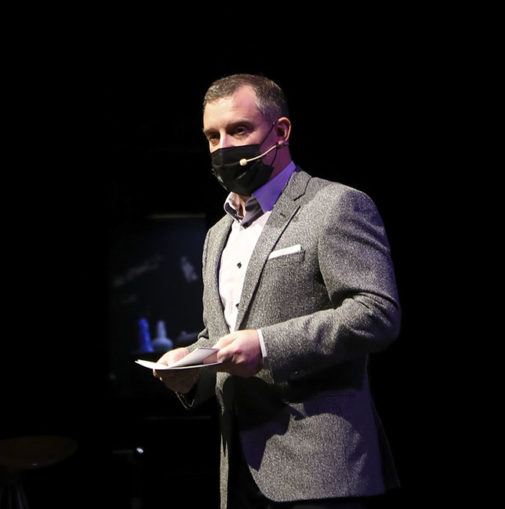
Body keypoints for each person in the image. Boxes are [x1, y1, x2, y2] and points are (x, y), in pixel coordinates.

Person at [153, 74, 401, 509]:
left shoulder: (335, 205)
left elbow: (375, 313)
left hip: (321, 471)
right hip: (238, 470)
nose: (224, 147)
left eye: (239, 130)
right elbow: (223, 337)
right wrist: (190, 367)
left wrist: (267, 346)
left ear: (281, 131)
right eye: (213, 136)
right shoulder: (217, 234)